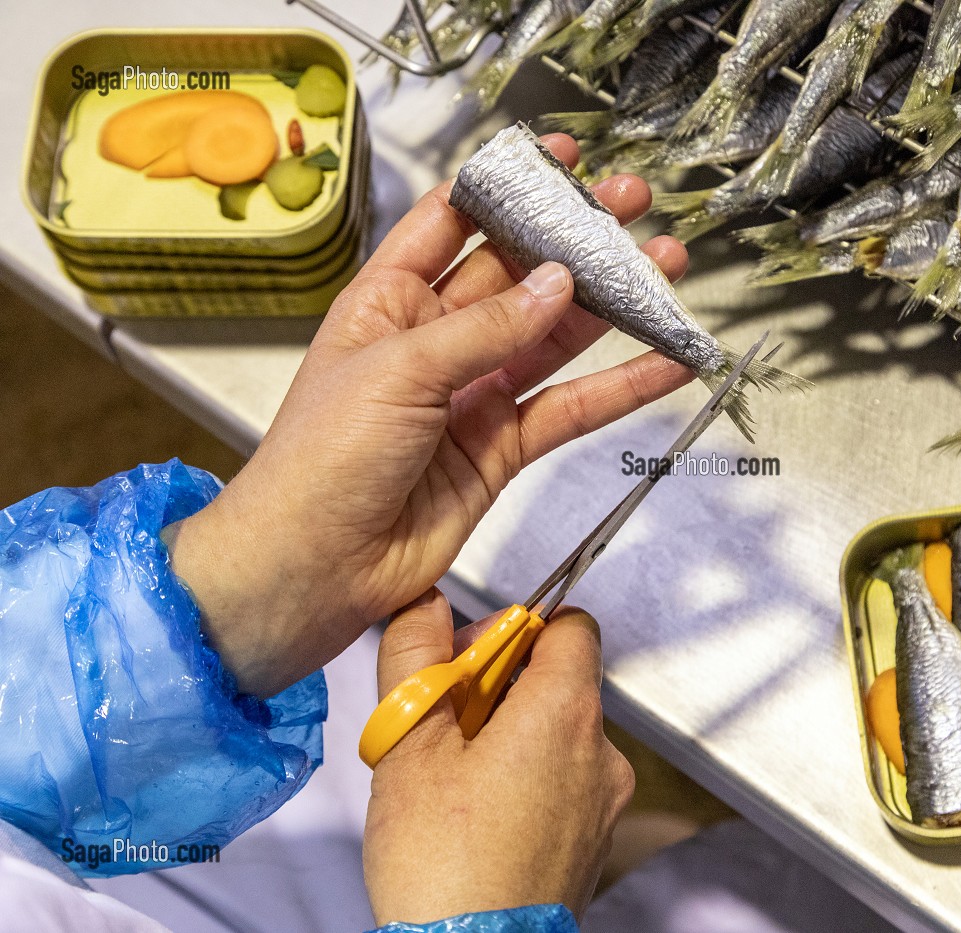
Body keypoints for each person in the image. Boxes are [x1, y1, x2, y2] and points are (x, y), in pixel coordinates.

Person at [0, 133, 693, 932]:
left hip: (147, 832)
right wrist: (486, 913)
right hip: (224, 867)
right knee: (746, 889)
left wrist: (244, 581)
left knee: (650, 849)